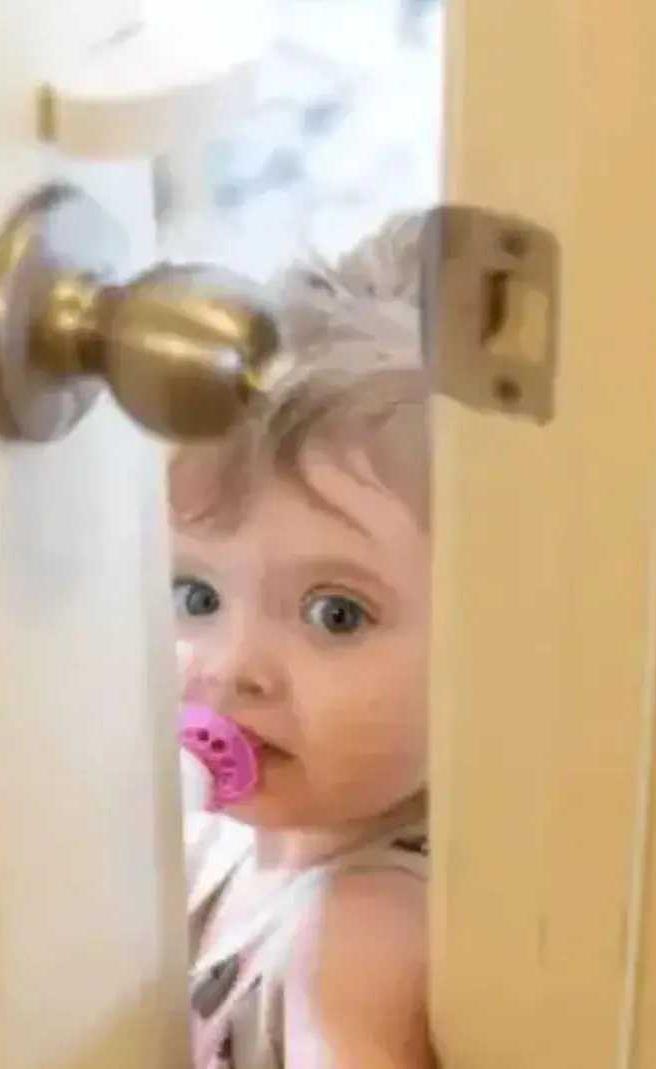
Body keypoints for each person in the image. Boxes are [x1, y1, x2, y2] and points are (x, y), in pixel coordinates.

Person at [171, 213, 435, 1069]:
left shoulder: (363, 932)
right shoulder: (218, 834)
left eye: (335, 614)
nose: (231, 666)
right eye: (196, 594)